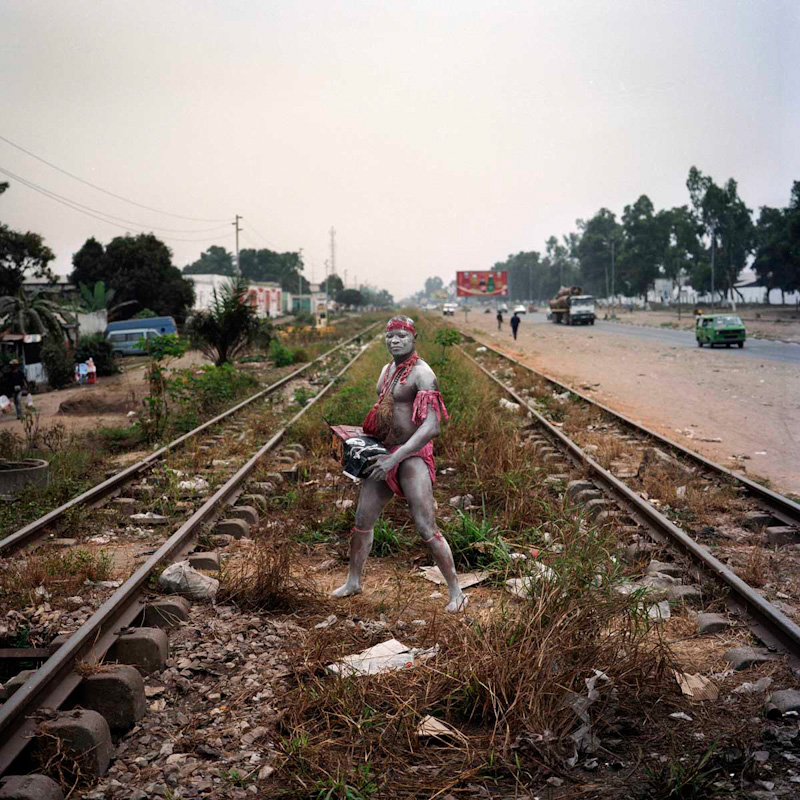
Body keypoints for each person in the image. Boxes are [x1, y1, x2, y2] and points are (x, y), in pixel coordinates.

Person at [332, 316, 467, 613]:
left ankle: (457, 593)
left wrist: (396, 457)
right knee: (362, 520)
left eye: (401, 336)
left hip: (411, 458)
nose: (394, 341)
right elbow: (386, 413)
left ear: (414, 338)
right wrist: (361, 443)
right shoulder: (387, 370)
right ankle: (354, 581)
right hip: (384, 453)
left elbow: (431, 427)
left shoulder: (423, 374)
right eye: (389, 336)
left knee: (425, 526)